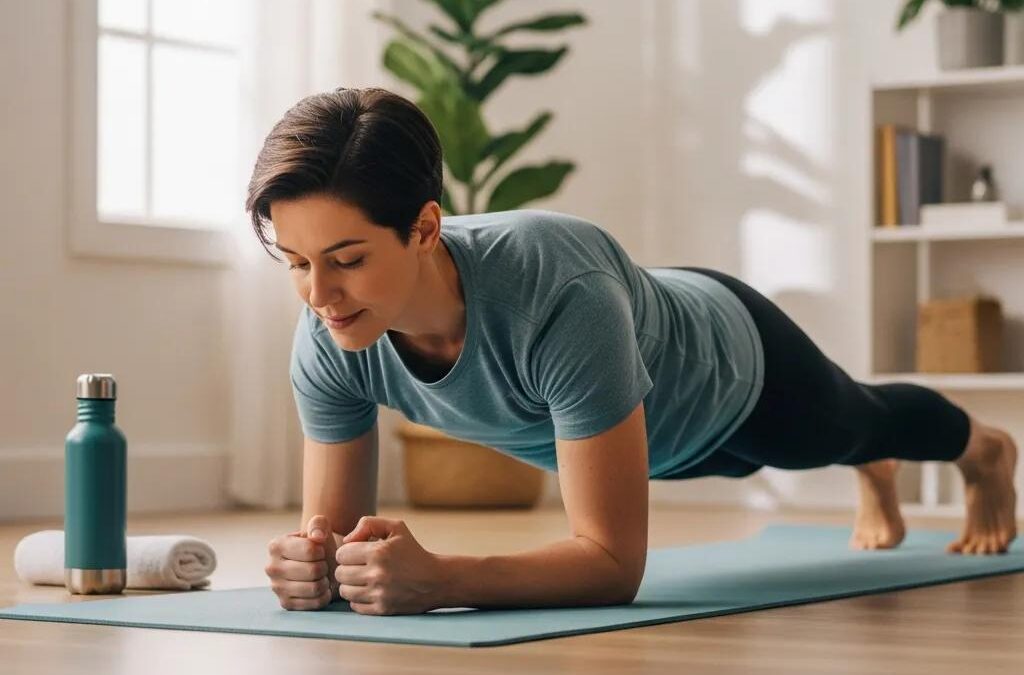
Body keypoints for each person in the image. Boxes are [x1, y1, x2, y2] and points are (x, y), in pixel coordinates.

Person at [249, 87, 1018, 616]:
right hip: (647, 412)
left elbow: (613, 565)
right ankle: (873, 465)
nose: (319, 294)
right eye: (295, 262)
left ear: (423, 228)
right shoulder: (329, 335)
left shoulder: (557, 288)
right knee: (858, 432)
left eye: (346, 259)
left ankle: (983, 450)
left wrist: (442, 577)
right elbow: (336, 537)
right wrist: (313, 567)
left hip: (734, 375)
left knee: (864, 421)